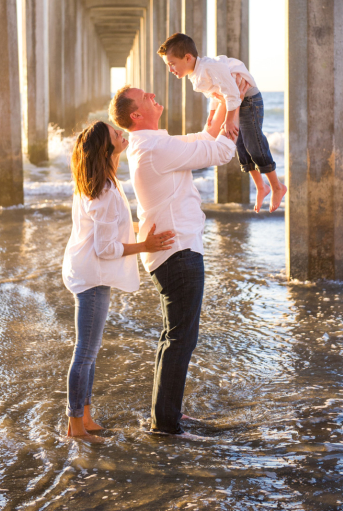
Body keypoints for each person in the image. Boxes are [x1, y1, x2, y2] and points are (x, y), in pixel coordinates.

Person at [109, 86, 235, 438]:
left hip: (174, 251)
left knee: (174, 337)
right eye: (144, 96)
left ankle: (166, 415)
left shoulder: (153, 143)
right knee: (180, 339)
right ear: (136, 115)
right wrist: (236, 108)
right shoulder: (153, 147)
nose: (153, 93)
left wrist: (222, 102)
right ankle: (165, 425)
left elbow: (203, 138)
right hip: (178, 251)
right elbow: (221, 150)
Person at [62, 120, 175, 440]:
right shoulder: (105, 189)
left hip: (85, 271)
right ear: (107, 148)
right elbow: (106, 248)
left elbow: (107, 236)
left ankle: (85, 417)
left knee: (89, 351)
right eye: (115, 133)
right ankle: (75, 427)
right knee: (85, 352)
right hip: (91, 277)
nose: (122, 133)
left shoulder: (99, 181)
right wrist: (145, 246)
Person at [157, 32, 287, 213]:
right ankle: (261, 186)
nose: (170, 69)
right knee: (241, 147)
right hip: (237, 103)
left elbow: (232, 92)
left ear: (187, 57)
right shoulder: (195, 73)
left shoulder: (210, 67)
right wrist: (212, 113)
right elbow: (216, 93)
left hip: (249, 100)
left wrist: (228, 120)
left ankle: (277, 185)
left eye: (172, 64)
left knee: (254, 143)